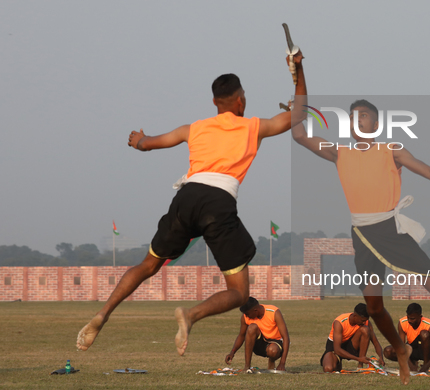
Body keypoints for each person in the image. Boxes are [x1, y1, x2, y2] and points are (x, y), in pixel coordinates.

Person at [76, 50, 307, 356]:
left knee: (148, 264)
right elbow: (301, 113)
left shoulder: (194, 129)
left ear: (215, 102)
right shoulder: (253, 126)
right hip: (218, 202)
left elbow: (147, 144)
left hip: (186, 197)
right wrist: (299, 70)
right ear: (240, 100)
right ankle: (191, 315)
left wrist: (139, 139)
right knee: (239, 293)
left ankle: (103, 314)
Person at [292, 99, 430, 384]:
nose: (357, 121)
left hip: (389, 230)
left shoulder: (391, 150)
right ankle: (400, 349)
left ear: (376, 124)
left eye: (364, 116)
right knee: (373, 308)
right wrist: (294, 112)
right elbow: (299, 136)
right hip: (361, 234)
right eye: (353, 117)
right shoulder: (338, 152)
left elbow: (426, 169)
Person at [225, 297, 290, 372]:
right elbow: (241, 335)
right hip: (259, 345)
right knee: (252, 327)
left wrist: (282, 363)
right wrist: (232, 352)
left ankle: (271, 361)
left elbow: (286, 337)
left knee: (273, 351)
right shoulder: (245, 317)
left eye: (247, 314)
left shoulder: (274, 312)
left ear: (255, 310)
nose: (246, 316)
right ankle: (247, 366)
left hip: (275, 344)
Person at [320, 303, 384, 372]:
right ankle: (337, 361)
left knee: (365, 329)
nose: (364, 322)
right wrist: (358, 358)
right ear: (355, 316)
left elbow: (376, 342)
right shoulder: (339, 322)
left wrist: (381, 357)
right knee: (328, 369)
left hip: (351, 344)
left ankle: (360, 366)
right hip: (335, 347)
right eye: (362, 320)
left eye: (365, 320)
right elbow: (337, 349)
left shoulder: (366, 322)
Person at [384, 303, 430, 372]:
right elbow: (400, 347)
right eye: (408, 318)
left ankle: (425, 364)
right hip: (412, 349)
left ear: (420, 316)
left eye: (412, 319)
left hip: (427, 351)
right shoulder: (402, 323)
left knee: (424, 334)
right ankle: (413, 361)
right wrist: (411, 365)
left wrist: (427, 366)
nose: (409, 321)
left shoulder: (429, 325)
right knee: (388, 351)